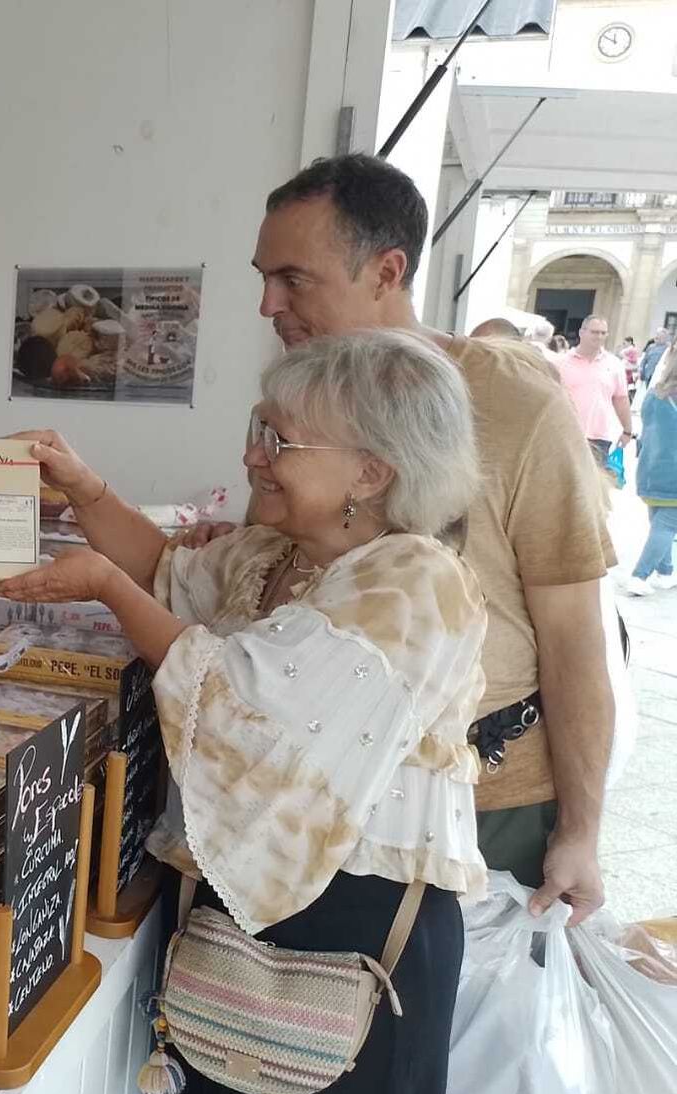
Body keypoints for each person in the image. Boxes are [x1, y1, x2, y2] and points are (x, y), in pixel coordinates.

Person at [6, 331, 487, 1094]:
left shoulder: (414, 581)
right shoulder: (280, 557)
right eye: (258, 428)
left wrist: (111, 588)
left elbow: (247, 706)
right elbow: (170, 577)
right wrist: (88, 493)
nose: (251, 455)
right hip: (242, 914)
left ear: (372, 473)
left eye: (279, 440)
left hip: (351, 927)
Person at [190, 155, 612, 919]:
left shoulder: (518, 404)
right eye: (263, 277)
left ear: (386, 271)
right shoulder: (299, 394)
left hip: (483, 805)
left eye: (293, 279)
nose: (267, 305)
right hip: (304, 801)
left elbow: (574, 635)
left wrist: (581, 829)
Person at [625, 345, 677, 596]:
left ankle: (665, 571)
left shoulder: (653, 395)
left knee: (660, 522)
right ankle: (639, 576)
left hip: (650, 468)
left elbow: (647, 430)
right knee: (667, 526)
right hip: (674, 474)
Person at [553, 315, 633, 473]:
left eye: (604, 333)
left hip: (599, 438)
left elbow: (621, 399)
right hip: (565, 435)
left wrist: (627, 430)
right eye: (595, 332)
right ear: (581, 332)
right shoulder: (560, 363)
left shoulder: (614, 364)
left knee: (592, 489)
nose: (600, 337)